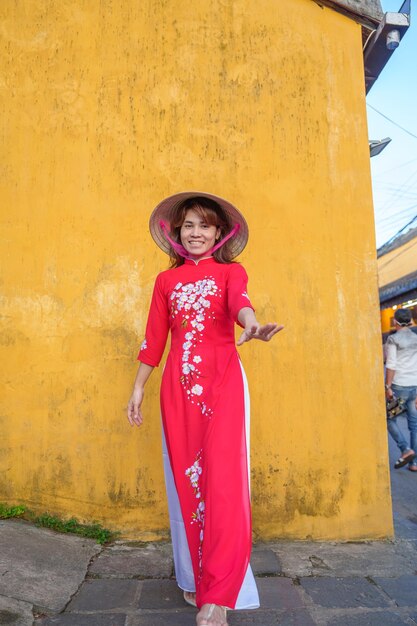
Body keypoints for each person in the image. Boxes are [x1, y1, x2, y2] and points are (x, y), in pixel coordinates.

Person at [127, 191, 283, 626]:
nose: (196, 233)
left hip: (223, 387)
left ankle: (218, 595)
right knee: (185, 485)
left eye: (205, 226)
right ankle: (194, 574)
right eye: (188, 226)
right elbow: (153, 338)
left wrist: (252, 324)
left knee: (224, 485)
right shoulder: (165, 281)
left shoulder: (232, 272)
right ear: (176, 233)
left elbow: (240, 304)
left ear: (219, 233)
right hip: (177, 390)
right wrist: (138, 388)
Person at [385, 308, 417, 472]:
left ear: (395, 322)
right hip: (414, 386)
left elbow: (391, 364)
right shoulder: (416, 338)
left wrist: (388, 386)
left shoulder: (393, 339)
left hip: (399, 387)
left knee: (389, 419)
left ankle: (405, 450)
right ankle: (414, 463)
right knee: (414, 424)